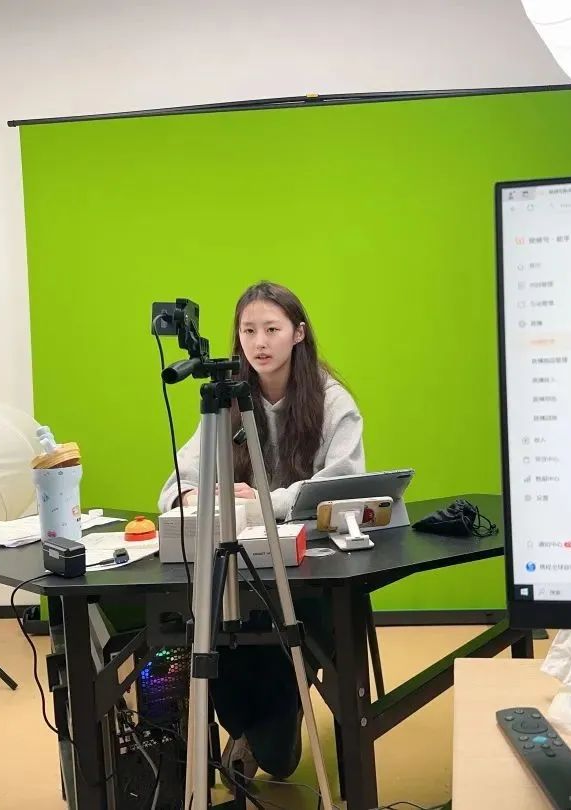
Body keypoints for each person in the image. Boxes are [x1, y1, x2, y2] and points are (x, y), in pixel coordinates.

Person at [158, 281, 365, 785]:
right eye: (248, 331)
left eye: (272, 329)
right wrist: (196, 496)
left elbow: (342, 487)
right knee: (204, 628)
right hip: (238, 577)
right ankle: (245, 727)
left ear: (298, 333)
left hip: (308, 575)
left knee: (276, 757)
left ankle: (270, 725)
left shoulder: (331, 401)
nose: (259, 342)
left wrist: (264, 501)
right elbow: (176, 484)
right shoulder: (226, 397)